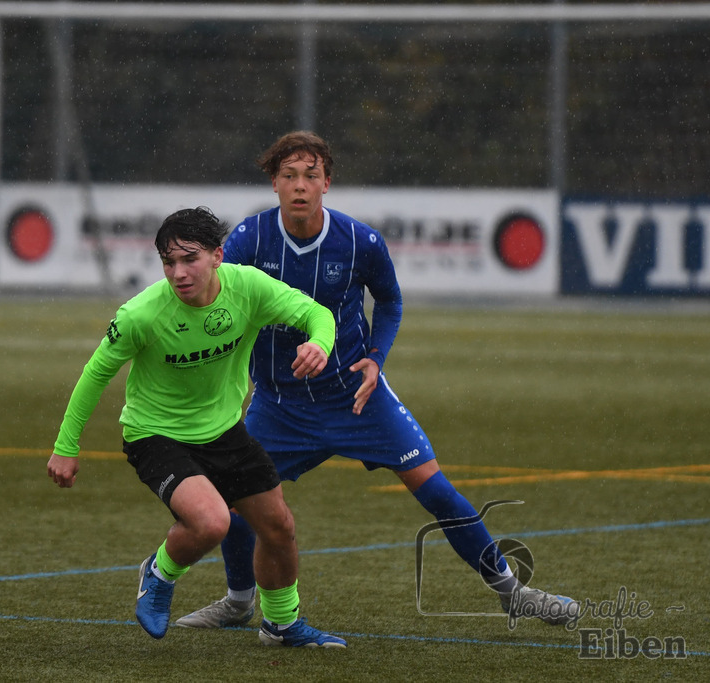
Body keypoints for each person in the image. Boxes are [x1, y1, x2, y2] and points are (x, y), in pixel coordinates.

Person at [175, 131, 578, 630]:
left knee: (437, 491)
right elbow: (222, 302)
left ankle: (513, 592)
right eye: (289, 175)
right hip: (279, 405)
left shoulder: (359, 241)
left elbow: (389, 300)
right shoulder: (248, 239)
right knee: (233, 502)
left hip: (357, 397)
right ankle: (239, 602)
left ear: (327, 183)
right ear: (274, 183)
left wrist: (375, 358)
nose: (300, 185)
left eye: (311, 175)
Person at [47, 206, 347, 648]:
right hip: (155, 435)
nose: (179, 273)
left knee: (279, 527)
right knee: (211, 522)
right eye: (169, 262)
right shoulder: (140, 314)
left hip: (224, 432)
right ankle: (159, 573)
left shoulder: (248, 288)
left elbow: (317, 315)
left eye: (190, 259)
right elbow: (96, 373)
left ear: (217, 256)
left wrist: (319, 344)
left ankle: (281, 625)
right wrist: (65, 446)